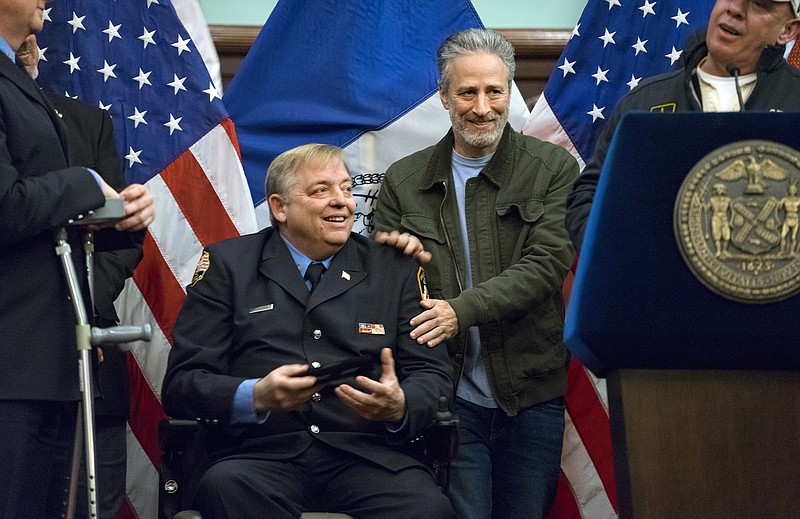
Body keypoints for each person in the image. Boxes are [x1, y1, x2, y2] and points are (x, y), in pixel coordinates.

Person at [161, 144, 456, 519]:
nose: (342, 202)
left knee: (426, 508)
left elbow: (432, 374)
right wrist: (255, 396)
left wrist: (401, 405)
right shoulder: (229, 266)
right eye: (321, 191)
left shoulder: (393, 269)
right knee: (226, 490)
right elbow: (183, 384)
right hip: (258, 456)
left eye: (347, 189)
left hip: (367, 455)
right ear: (280, 207)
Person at [373, 28, 579, 519]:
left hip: (532, 393)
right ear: (444, 96)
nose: (482, 107)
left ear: (512, 92)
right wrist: (396, 265)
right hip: (449, 395)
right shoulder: (403, 181)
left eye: (495, 91)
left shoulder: (553, 169)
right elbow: (381, 288)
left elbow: (547, 265)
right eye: (467, 92)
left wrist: (459, 311)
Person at [0, 1, 154, 516]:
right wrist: (88, 184)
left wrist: (114, 215)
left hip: (47, 361)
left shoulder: (19, 84)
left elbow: (43, 222)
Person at [566, 0, 800, 251]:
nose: (734, 9)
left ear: (787, 31)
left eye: (759, 4)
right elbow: (588, 195)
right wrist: (621, 255)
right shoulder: (646, 101)